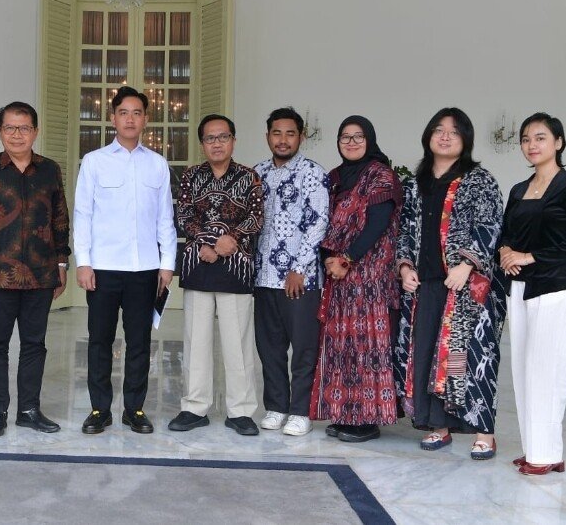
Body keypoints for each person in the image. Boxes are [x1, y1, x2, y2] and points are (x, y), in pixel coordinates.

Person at [394, 108, 506, 460]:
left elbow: (490, 225)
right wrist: (405, 267)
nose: (445, 137)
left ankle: (484, 432)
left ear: (465, 140)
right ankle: (439, 426)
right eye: (439, 130)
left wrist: (467, 264)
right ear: (428, 136)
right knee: (429, 357)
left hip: (465, 290)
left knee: (467, 359)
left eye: (454, 132)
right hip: (426, 285)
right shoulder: (415, 184)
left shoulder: (479, 180)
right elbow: (404, 231)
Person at [0, 102, 70, 437]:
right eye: (10, 128)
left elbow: (60, 220)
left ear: (35, 131)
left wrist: (62, 263)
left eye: (24, 128)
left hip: (41, 274)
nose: (17, 135)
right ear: (0, 132)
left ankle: (29, 410)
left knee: (34, 344)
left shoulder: (49, 170)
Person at [74, 86, 176, 435]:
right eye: (123, 112)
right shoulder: (94, 161)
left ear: (146, 119)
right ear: (112, 118)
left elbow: (165, 218)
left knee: (139, 343)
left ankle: (135, 409)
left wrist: (167, 263)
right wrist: (83, 262)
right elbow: (83, 214)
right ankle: (99, 409)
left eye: (137, 113)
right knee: (99, 341)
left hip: (144, 269)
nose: (130, 119)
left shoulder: (157, 164)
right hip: (103, 268)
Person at [499, 112, 566, 475]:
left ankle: (546, 453)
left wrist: (529, 256)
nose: (531, 145)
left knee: (547, 369)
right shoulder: (518, 190)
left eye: (540, 137)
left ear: (558, 142)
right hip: (520, 288)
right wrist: (506, 252)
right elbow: (506, 233)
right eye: (525, 139)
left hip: (554, 286)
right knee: (523, 369)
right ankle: (537, 449)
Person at [167, 115, 263, 437]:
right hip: (199, 264)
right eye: (210, 138)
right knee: (196, 341)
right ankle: (194, 407)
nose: (217, 143)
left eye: (223, 137)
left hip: (236, 268)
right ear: (202, 144)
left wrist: (227, 242)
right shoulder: (191, 176)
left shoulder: (249, 177)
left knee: (238, 344)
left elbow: (256, 217)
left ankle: (241, 412)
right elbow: (184, 215)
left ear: (233, 140)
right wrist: (210, 243)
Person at [310, 115, 402, 443]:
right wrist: (330, 260)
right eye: (345, 137)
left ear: (370, 139)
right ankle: (345, 413)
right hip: (339, 278)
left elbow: (377, 225)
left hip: (369, 278)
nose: (351, 142)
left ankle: (367, 420)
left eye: (358, 136)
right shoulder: (335, 178)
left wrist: (347, 258)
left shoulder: (380, 176)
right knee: (342, 348)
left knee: (366, 348)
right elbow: (323, 223)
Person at [252, 107, 329, 437]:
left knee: (303, 349)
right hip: (263, 277)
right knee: (269, 348)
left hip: (300, 280)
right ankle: (276, 406)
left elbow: (318, 224)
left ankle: (300, 411)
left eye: (290, 133)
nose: (283, 140)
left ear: (301, 137)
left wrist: (298, 269)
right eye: (277, 133)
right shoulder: (257, 174)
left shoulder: (313, 173)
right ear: (267, 136)